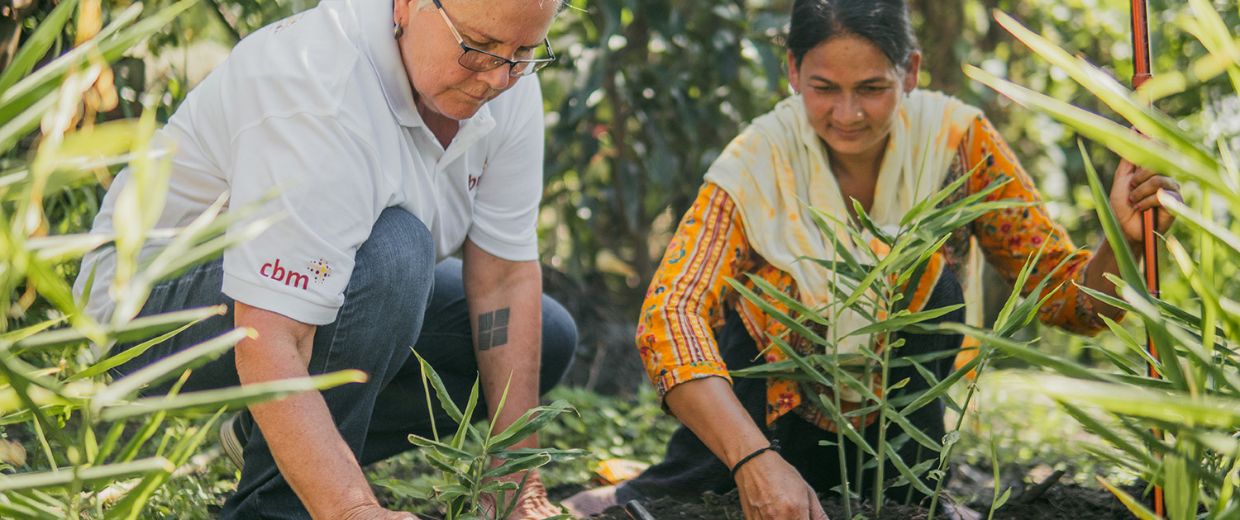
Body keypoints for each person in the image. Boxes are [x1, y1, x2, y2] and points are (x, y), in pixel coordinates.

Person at [564, 0, 1181, 518]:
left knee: (924, 278)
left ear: (909, 72)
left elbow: (1067, 299)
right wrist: (753, 461)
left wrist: (1121, 239)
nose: (848, 114)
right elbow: (670, 315)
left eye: (872, 89)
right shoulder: (757, 160)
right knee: (655, 503)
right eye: (824, 89)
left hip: (899, 448)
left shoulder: (956, 144)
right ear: (792, 72)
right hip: (755, 431)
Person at [73, 0, 577, 518]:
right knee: (394, 255)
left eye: (524, 52)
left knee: (546, 332)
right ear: (406, 6)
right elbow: (266, 335)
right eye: (478, 49)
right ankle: (277, 508)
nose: (498, 78)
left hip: (311, 289)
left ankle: (269, 440)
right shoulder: (318, 83)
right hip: (143, 309)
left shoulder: (508, 81)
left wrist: (516, 476)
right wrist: (353, 509)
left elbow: (503, 279)